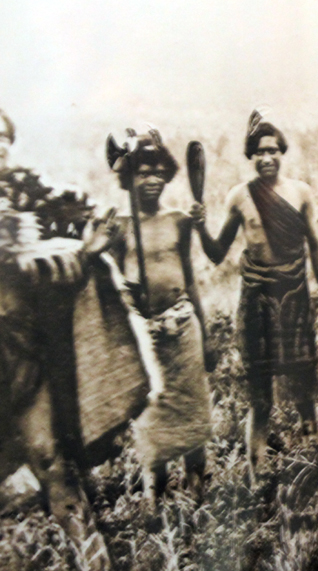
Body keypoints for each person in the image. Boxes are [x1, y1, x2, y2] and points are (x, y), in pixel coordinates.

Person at [191, 112, 318, 471]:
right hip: (256, 301)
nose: (267, 158)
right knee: (260, 399)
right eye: (259, 152)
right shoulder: (239, 197)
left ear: (282, 152)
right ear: (250, 156)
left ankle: (315, 465)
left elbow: (316, 248)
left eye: (273, 150)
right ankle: (258, 478)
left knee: (303, 391)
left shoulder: (300, 193)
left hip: (295, 298)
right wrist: (200, 227)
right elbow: (216, 253)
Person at [1, 109, 113, 570]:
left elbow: (78, 214)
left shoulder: (25, 196)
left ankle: (94, 561)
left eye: (2, 138)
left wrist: (84, 244)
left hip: (23, 358)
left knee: (53, 462)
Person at [108, 129, 212, 503]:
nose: (152, 180)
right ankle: (156, 498)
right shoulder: (120, 227)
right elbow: (113, 285)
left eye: (157, 172)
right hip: (144, 338)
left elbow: (190, 278)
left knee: (192, 413)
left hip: (183, 328)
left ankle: (198, 492)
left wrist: (207, 335)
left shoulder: (179, 221)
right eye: (142, 172)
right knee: (152, 419)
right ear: (128, 178)